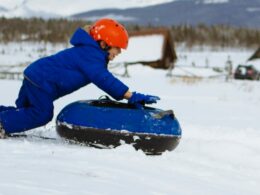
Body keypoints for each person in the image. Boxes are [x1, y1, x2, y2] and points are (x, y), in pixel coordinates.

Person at [0, 18, 160, 138]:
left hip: (36, 76)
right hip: (41, 81)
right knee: (42, 114)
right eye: (117, 48)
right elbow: (104, 79)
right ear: (104, 44)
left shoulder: (89, 53)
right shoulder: (91, 56)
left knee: (24, 112)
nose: (118, 53)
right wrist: (130, 95)